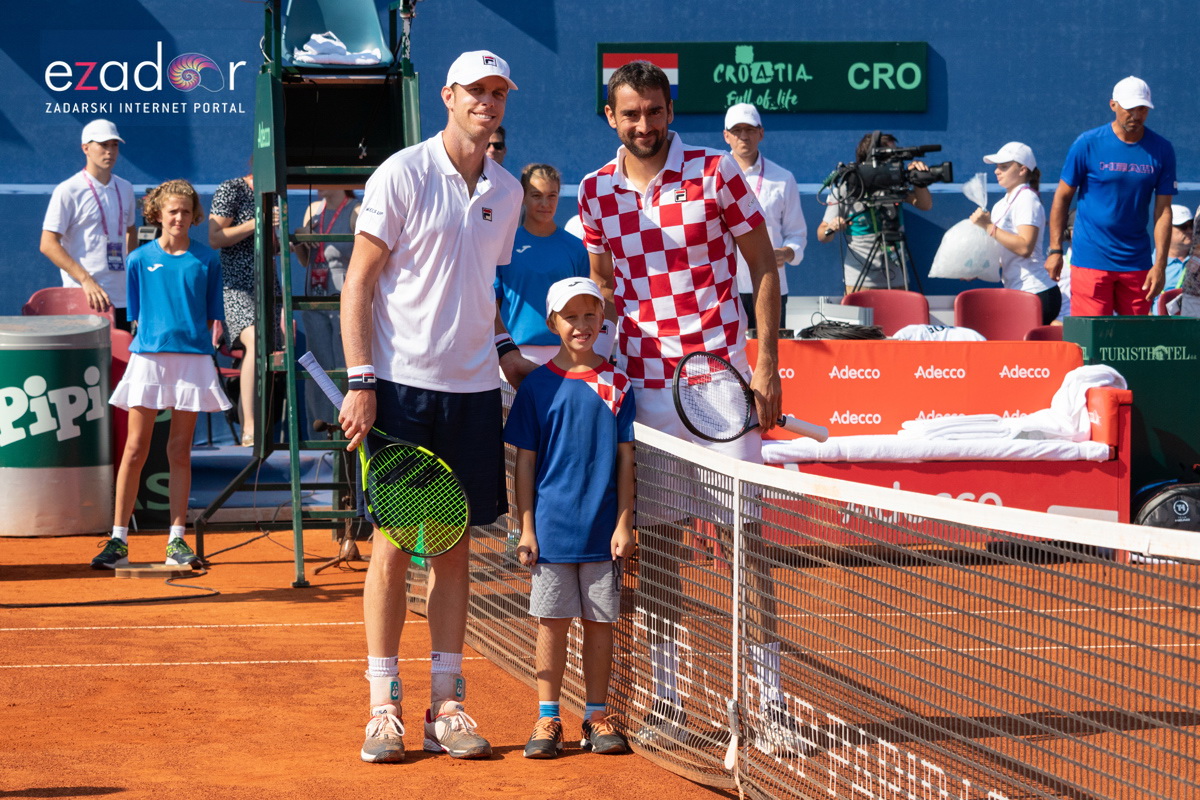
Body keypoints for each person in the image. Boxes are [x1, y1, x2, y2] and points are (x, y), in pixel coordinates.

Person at [579, 60, 791, 752]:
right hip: (643, 390)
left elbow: (764, 267)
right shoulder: (594, 193)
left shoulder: (716, 173)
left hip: (721, 382)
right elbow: (606, 287)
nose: (644, 125)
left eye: (655, 111)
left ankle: (774, 704)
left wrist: (765, 365)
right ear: (611, 117)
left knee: (745, 545)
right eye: (630, 114)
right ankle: (667, 702)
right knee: (661, 553)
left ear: (671, 110)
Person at [338, 49, 532, 765]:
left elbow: (479, 286)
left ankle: (445, 703)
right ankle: (382, 706)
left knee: (453, 548)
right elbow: (359, 282)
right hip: (401, 389)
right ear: (447, 96)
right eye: (475, 91)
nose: (487, 102)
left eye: (498, 92)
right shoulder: (402, 173)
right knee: (393, 544)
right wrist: (362, 380)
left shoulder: (506, 191)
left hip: (475, 391)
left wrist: (508, 348)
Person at [505, 277, 635, 759]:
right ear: (552, 322)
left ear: (602, 320)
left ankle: (596, 715)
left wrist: (624, 523)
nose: (581, 325)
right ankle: (547, 718)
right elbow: (524, 463)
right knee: (552, 624)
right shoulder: (537, 386)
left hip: (603, 535)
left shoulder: (617, 383)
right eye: (571, 316)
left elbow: (626, 460)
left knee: (600, 625)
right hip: (552, 535)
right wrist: (527, 528)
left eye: (589, 316)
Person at [91, 180, 231, 570]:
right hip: (149, 359)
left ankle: (176, 542)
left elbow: (207, 314)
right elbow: (136, 315)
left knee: (179, 452)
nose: (180, 218)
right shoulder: (138, 260)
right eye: (173, 211)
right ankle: (118, 540)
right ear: (157, 214)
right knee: (135, 449)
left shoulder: (207, 259)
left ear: (194, 216)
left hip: (192, 361)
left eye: (186, 212)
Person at [1047, 76, 1177, 316]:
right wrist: (1055, 250)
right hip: (1090, 259)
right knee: (1093, 342)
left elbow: (1163, 211)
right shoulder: (1087, 143)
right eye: (1130, 108)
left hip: (1137, 261)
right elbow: (1062, 198)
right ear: (1113, 105)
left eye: (1142, 109)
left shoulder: (1162, 149)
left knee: (1135, 342)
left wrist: (1160, 265)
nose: (1136, 115)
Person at [40, 119, 137, 330]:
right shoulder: (68, 190)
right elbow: (48, 244)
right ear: (86, 148)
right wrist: (86, 280)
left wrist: (132, 279)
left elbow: (130, 231)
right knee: (85, 363)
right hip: (84, 297)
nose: (110, 151)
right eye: (103, 145)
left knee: (120, 361)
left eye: (114, 145)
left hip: (122, 299)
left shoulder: (126, 188)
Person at [722, 103, 807, 331]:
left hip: (771, 284)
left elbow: (797, 233)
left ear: (761, 133)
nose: (744, 137)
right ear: (726, 135)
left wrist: (788, 252)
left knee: (771, 357)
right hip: (726, 288)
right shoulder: (712, 177)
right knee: (729, 360)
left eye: (749, 130)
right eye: (737, 131)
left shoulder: (783, 178)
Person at [495, 164, 591, 364]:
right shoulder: (504, 244)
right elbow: (492, 302)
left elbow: (587, 306)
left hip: (566, 353)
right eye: (537, 195)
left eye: (552, 195)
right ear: (523, 197)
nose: (545, 203)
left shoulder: (576, 248)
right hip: (513, 354)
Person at [816, 132, 933, 292]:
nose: (894, 161)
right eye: (889, 155)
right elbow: (822, 234)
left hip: (897, 276)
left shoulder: (896, 183)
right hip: (860, 280)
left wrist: (918, 180)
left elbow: (924, 205)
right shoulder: (848, 187)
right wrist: (833, 227)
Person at [968, 142, 1061, 324]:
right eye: (997, 166)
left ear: (1022, 170)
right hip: (1018, 291)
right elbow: (1002, 252)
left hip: (1037, 292)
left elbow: (1025, 247)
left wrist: (988, 226)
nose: (997, 171)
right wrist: (976, 269)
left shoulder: (1027, 198)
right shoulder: (1001, 204)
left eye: (1004, 166)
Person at [208, 170, 266, 445]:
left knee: (259, 352)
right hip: (235, 286)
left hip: (267, 286)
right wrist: (257, 223)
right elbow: (215, 237)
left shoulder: (272, 194)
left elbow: (270, 246)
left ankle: (253, 426)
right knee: (254, 341)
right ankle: (250, 429)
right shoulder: (232, 188)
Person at [293, 188, 359, 427]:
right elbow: (305, 259)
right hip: (314, 296)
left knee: (345, 365)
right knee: (317, 368)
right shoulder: (314, 209)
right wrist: (301, 234)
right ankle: (321, 435)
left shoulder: (356, 210)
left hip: (343, 300)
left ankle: (346, 433)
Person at [1162, 204, 1194, 291]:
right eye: (1183, 226)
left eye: (1192, 225)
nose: (1190, 230)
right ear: (1165, 229)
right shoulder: (1149, 265)